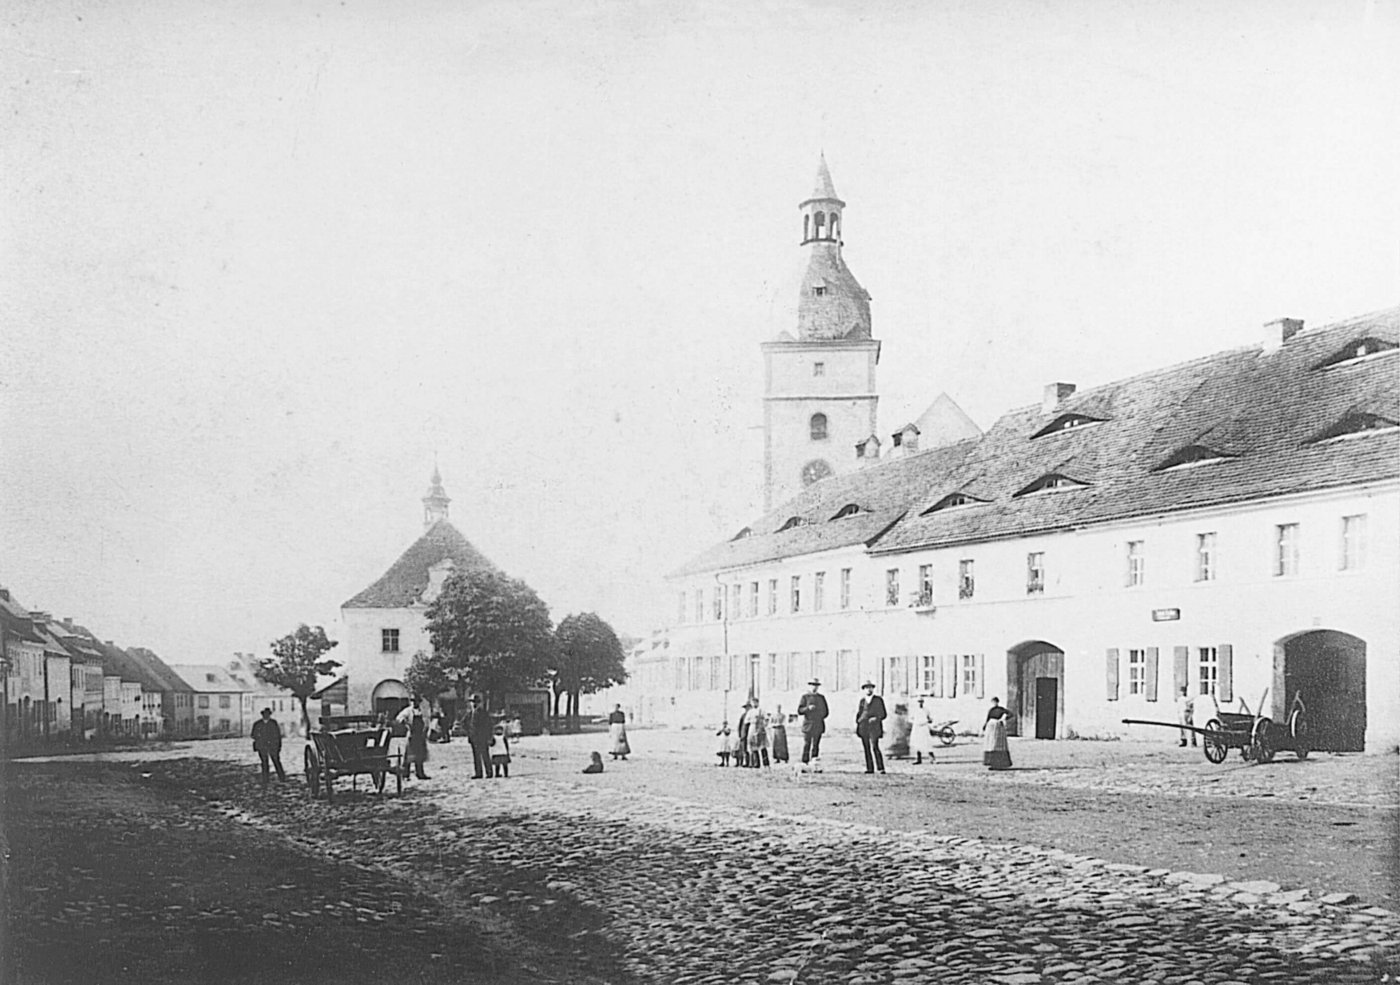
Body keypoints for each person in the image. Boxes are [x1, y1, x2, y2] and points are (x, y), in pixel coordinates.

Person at [796, 679, 829, 770]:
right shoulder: (805, 697)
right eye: (812, 685)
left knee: (816, 745)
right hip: (808, 725)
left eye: (816, 685)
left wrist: (818, 714)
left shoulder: (821, 698)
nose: (814, 687)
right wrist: (808, 708)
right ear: (809, 686)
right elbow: (800, 710)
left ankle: (814, 764)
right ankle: (804, 763)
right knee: (807, 744)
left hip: (818, 724)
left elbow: (826, 712)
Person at [856, 681, 887, 775]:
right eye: (867, 688)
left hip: (874, 727)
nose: (869, 689)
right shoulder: (862, 701)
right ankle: (869, 768)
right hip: (864, 726)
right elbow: (859, 713)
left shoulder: (878, 700)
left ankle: (880, 768)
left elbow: (883, 714)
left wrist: (876, 718)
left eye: (870, 687)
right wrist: (858, 722)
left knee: (875, 746)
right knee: (866, 747)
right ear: (864, 689)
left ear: (873, 689)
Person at [251, 707, 286, 788]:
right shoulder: (257, 724)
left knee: (276, 761)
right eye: (264, 714)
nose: (266, 716)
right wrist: (258, 738)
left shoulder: (273, 723)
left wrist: (278, 746)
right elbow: (253, 734)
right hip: (262, 746)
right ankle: (265, 779)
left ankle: (282, 777)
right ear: (262, 715)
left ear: (270, 715)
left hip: (273, 746)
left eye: (268, 714)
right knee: (264, 762)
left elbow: (278, 735)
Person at [465, 694, 493, 779]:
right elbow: (463, 723)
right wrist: (469, 732)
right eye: (472, 702)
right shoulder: (470, 714)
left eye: (476, 702)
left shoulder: (483, 713)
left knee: (485, 755)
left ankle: (489, 772)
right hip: (474, 738)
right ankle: (478, 773)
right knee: (476, 757)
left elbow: (489, 725)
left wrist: (489, 737)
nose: (474, 704)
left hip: (482, 738)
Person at [982, 697, 1012, 771]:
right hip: (991, 728)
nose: (994, 703)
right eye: (993, 702)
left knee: (999, 745)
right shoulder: (991, 710)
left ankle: (1001, 763)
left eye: (995, 702)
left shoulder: (1001, 709)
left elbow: (1010, 714)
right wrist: (985, 726)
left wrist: (1004, 719)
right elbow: (988, 718)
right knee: (991, 744)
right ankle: (991, 762)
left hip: (998, 728)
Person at [910, 696, 937, 765]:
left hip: (924, 728)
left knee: (927, 743)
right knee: (917, 743)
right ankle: (918, 759)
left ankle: (932, 759)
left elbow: (929, 718)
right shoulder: (914, 710)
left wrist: (929, 720)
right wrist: (915, 722)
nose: (920, 703)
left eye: (921, 702)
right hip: (917, 728)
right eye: (919, 702)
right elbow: (911, 718)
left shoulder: (926, 710)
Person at [405, 707, 430, 780]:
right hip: (412, 735)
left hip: (420, 736)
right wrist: (407, 725)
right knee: (409, 756)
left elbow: (426, 721)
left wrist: (425, 730)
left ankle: (420, 773)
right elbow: (399, 718)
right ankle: (406, 773)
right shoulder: (408, 710)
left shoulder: (422, 710)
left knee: (420, 755)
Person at [746, 703, 770, 769]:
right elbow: (746, 721)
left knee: (762, 746)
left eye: (756, 702)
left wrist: (764, 724)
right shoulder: (750, 712)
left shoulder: (762, 710)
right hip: (753, 728)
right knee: (754, 746)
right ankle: (756, 763)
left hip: (760, 728)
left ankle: (766, 763)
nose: (755, 704)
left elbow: (767, 718)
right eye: (753, 702)